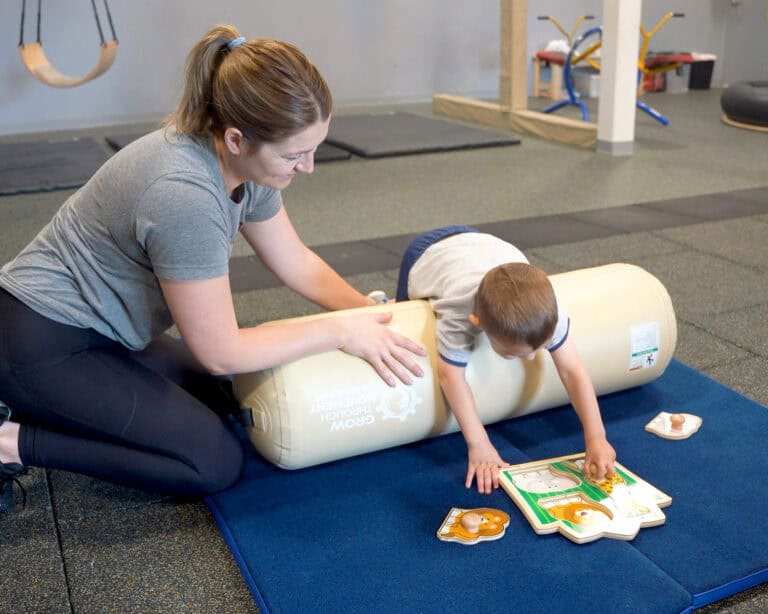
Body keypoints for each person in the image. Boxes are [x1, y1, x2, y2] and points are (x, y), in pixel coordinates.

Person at [0, 25, 426, 511]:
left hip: (109, 333)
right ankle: (12, 440)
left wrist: (384, 318)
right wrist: (340, 332)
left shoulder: (250, 162)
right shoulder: (184, 194)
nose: (307, 167)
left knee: (224, 397)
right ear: (237, 138)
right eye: (295, 155)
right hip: (41, 342)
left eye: (313, 148)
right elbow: (221, 350)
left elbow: (297, 262)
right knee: (212, 461)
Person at [396, 225, 616, 494]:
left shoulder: (549, 312)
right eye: (514, 354)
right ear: (477, 323)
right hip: (427, 255)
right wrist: (479, 444)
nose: (533, 357)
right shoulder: (459, 311)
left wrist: (597, 437)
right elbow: (449, 375)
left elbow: (572, 370)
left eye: (538, 348)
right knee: (403, 320)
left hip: (483, 243)